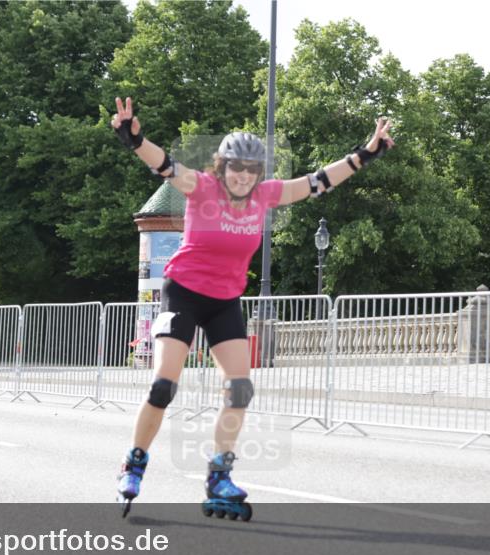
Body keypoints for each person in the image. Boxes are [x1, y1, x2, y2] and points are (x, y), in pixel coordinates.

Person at [111, 96, 395, 519]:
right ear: (222, 167)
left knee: (241, 388)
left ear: (258, 173)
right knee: (163, 386)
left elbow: (317, 181)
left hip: (225, 300)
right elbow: (164, 164)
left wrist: (365, 154)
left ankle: (218, 475)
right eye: (235, 167)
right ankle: (134, 463)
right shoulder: (201, 187)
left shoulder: (266, 195)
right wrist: (133, 138)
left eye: (251, 169)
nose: (243, 176)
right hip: (184, 292)